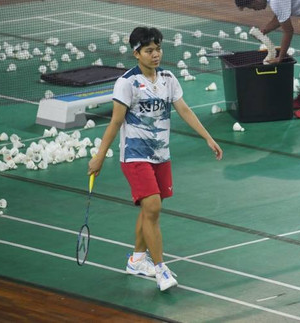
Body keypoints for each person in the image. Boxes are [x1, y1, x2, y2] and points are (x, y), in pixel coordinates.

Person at [88, 26, 223, 292]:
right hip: (135, 155)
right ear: (136, 53)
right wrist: (99, 157)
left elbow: (183, 109)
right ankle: (160, 268)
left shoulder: (169, 78)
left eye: (158, 49)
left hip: (161, 154)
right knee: (153, 207)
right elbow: (115, 123)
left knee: (149, 210)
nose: (156, 54)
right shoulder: (126, 83)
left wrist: (208, 137)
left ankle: (137, 260)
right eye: (149, 50)